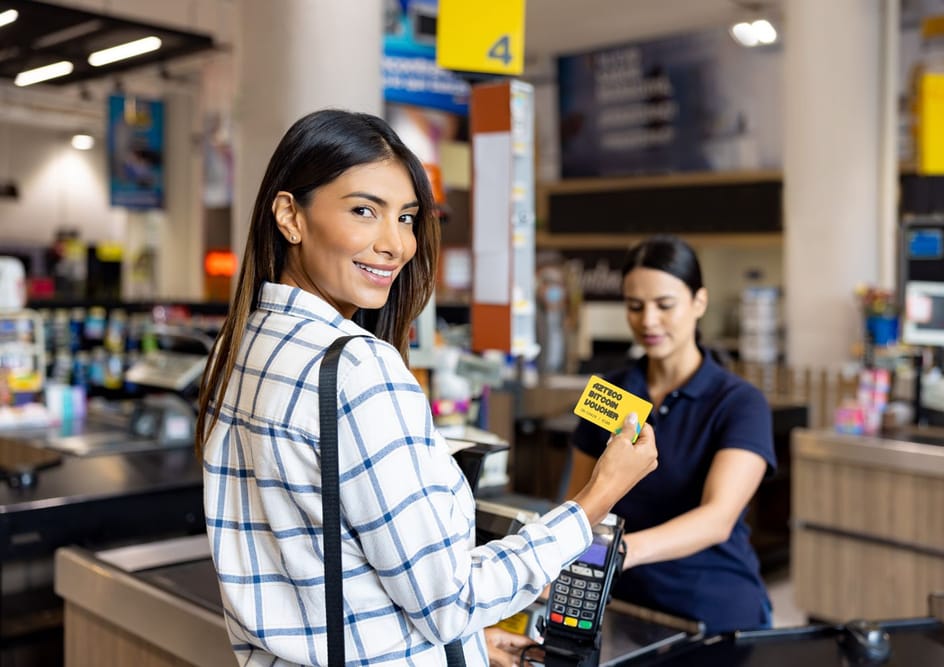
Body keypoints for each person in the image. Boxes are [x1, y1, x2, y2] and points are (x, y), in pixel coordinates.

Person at [196, 109, 658, 666]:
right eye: (364, 211)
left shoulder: (240, 345)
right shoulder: (358, 371)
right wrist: (595, 500)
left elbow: (319, 571)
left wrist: (457, 646)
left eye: (408, 218)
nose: (395, 244)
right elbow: (449, 599)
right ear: (290, 215)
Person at [565, 235, 776, 635]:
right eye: (635, 306)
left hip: (713, 611)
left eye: (664, 305)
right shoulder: (610, 393)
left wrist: (622, 552)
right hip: (622, 608)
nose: (648, 321)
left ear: (699, 302)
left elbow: (717, 519)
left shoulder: (739, 403)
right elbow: (580, 503)